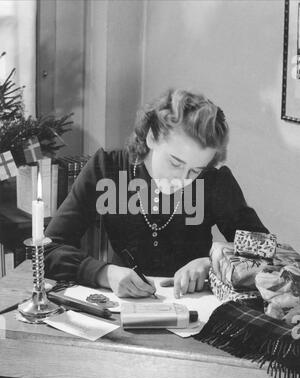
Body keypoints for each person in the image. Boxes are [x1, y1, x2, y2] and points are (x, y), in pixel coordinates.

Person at [44, 88, 268, 299]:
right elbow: (48, 250)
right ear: (151, 137)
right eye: (175, 162)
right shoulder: (106, 169)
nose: (182, 179)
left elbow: (265, 253)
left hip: (194, 309)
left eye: (195, 170)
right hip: (120, 308)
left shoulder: (214, 181)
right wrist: (105, 273)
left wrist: (211, 262)